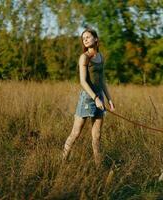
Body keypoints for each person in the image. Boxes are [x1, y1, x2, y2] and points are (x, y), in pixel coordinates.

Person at [62, 28, 115, 167]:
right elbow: (83, 82)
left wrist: (109, 99)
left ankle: (98, 167)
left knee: (97, 136)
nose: (85, 39)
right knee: (76, 133)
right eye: (83, 38)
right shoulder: (84, 57)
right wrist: (95, 98)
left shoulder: (101, 57)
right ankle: (62, 161)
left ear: (96, 39)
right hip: (87, 99)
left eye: (88, 37)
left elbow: (102, 80)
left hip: (100, 99)